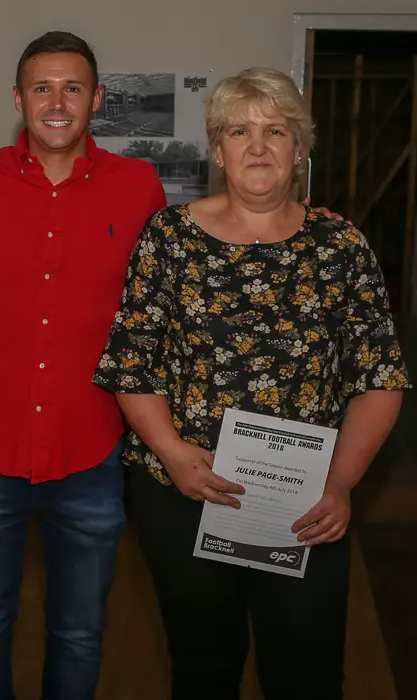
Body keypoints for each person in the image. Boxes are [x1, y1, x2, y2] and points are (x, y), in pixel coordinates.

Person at [92, 66, 409, 699]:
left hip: (304, 504)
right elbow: (132, 364)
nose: (258, 146)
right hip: (184, 492)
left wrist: (341, 482)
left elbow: (380, 376)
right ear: (218, 148)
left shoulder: (339, 245)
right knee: (204, 672)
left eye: (276, 131)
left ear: (299, 148)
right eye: (240, 130)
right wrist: (175, 454)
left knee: (309, 676)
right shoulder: (170, 239)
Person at [0, 31, 165, 700]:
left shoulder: (139, 186)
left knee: (79, 631)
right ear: (18, 99)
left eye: (73, 87)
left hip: (92, 449)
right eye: (43, 87)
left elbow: (176, 285)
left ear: (97, 99)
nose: (58, 102)